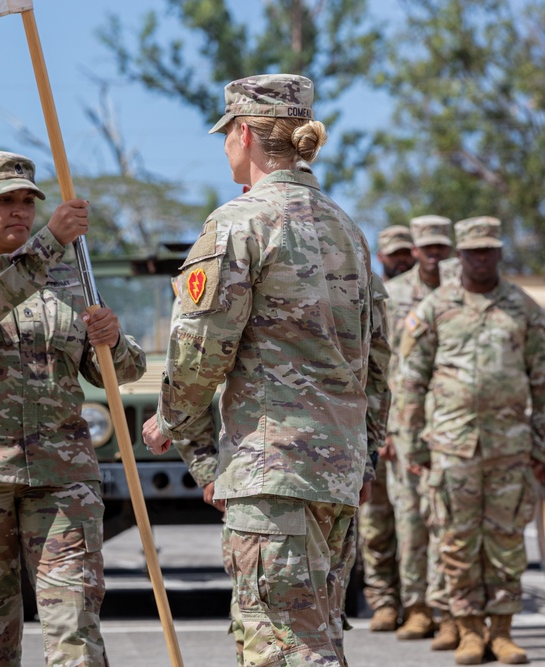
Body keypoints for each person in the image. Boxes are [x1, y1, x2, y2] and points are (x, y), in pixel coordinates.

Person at [142, 74, 389, 667]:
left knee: (285, 649)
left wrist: (176, 424)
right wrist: (365, 456)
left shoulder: (239, 224)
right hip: (335, 471)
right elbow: (378, 356)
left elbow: (201, 351)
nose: (226, 145)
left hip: (273, 471)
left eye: (227, 134)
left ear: (246, 134)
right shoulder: (346, 229)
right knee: (317, 636)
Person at [0, 151, 146, 666]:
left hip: (60, 477)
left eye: (27, 200)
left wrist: (114, 341)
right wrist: (50, 242)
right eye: (4, 200)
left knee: (76, 635)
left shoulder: (69, 276)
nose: (19, 211)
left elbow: (118, 372)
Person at [397, 216, 545, 665]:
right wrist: (414, 445)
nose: (481, 258)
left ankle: (501, 631)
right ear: (459, 256)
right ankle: (468, 630)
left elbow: (541, 384)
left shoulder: (523, 309)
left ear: (500, 253)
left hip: (509, 449)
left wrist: (540, 447)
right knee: (457, 543)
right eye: (472, 251)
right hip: (450, 447)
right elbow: (410, 381)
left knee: (506, 542)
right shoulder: (435, 308)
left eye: (488, 250)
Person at [383, 215, 458, 645]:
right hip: (407, 424)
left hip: (451, 423)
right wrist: (386, 430)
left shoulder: (458, 292)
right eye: (426, 247)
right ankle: (415, 608)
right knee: (409, 519)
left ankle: (446, 608)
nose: (434, 254)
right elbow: (382, 364)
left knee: (448, 520)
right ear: (414, 250)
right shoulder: (393, 295)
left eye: (440, 246)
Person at [359, 225, 415, 632]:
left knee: (414, 523)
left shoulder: (425, 299)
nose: (401, 261)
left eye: (405, 253)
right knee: (375, 522)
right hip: (376, 425)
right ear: (381, 257)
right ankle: (382, 601)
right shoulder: (368, 292)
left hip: (410, 430)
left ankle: (418, 604)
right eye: (393, 254)